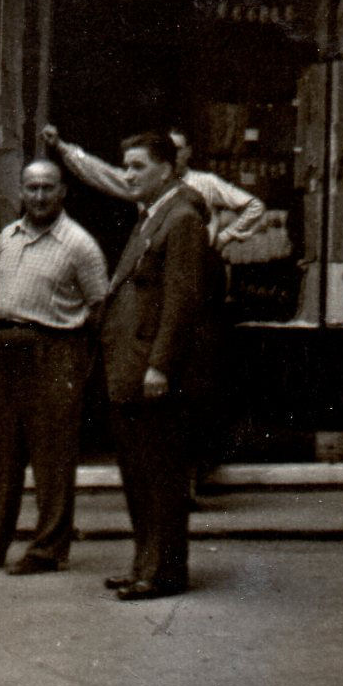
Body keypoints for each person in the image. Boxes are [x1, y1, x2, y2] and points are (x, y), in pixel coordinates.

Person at [0, 158, 108, 575]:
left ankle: (48, 549)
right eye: (32, 187)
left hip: (53, 349)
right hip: (4, 347)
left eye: (48, 187)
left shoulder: (80, 245)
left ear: (63, 192)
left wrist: (74, 360)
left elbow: (100, 307)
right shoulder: (7, 237)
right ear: (21, 191)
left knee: (52, 455)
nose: (39, 195)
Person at [99, 131, 223, 601]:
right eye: (125, 166)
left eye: (138, 166)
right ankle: (143, 563)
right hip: (131, 365)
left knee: (161, 476)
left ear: (167, 169)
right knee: (138, 475)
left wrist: (161, 366)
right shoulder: (153, 215)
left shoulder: (183, 219)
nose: (128, 175)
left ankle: (164, 571)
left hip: (152, 371)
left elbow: (181, 301)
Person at [44, 123, 267, 247]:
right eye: (167, 149)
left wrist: (224, 237)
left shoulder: (206, 182)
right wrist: (62, 147)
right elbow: (101, 173)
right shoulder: (147, 183)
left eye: (178, 149)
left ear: (189, 151)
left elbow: (254, 206)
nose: (173, 154)